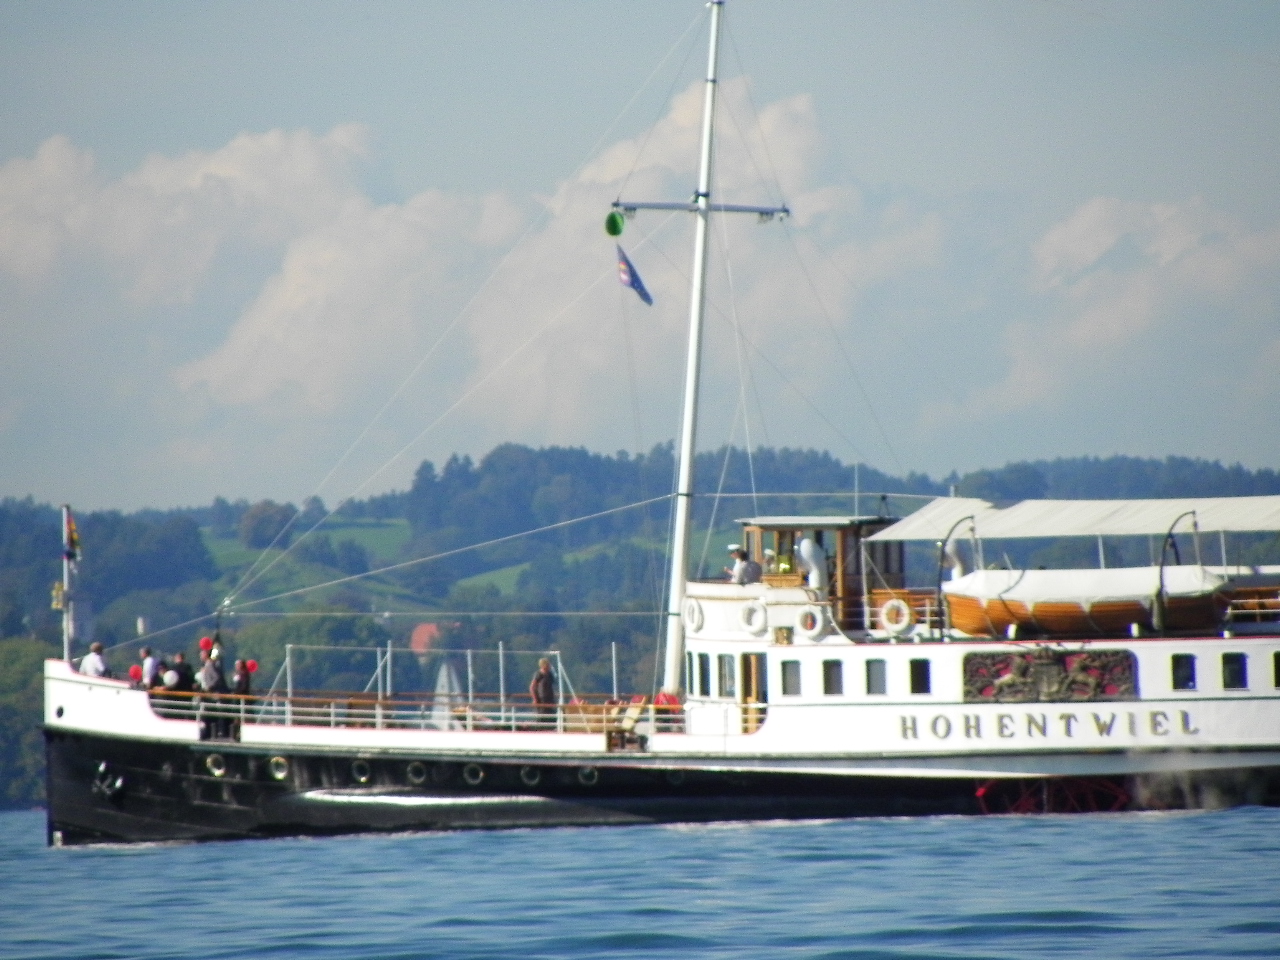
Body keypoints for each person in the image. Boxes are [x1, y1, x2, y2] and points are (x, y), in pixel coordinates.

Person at [529, 658, 557, 727]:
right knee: (542, 717)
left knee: (551, 717)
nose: (549, 666)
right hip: (541, 700)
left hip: (550, 699)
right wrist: (535, 699)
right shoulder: (539, 674)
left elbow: (552, 685)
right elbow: (532, 687)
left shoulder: (550, 675)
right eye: (547, 664)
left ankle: (551, 728)